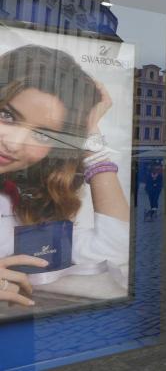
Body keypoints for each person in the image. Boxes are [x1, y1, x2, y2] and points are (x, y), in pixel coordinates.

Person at [0, 44, 129, 305]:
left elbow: (113, 249)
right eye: (7, 115)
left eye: (42, 135)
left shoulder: (18, 201)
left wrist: (92, 139)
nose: (14, 144)